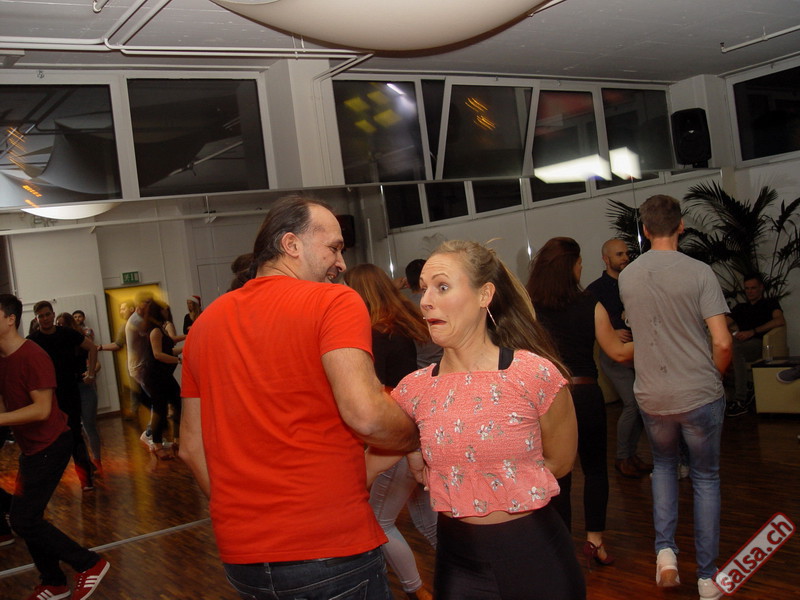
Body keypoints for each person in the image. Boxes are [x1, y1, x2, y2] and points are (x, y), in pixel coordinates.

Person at [179, 194, 419, 600]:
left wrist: (244, 518)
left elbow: (190, 446)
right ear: (291, 244)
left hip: (243, 556)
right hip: (329, 547)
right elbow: (365, 414)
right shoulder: (334, 300)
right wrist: (415, 434)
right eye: (334, 248)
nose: (341, 263)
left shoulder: (205, 324)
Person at [371, 239, 584, 600]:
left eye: (442, 287)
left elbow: (560, 461)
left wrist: (498, 478)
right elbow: (367, 466)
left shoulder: (533, 374)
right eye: (424, 289)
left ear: (485, 294)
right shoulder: (413, 390)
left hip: (537, 557)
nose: (425, 301)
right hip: (459, 564)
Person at [618, 195, 732, 600]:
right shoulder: (700, 272)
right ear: (681, 226)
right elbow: (722, 342)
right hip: (698, 391)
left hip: (652, 395)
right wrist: (713, 379)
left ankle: (665, 554)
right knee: (705, 478)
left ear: (645, 230)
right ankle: (707, 578)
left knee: (664, 468)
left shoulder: (627, 277)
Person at [527, 237, 634, 570]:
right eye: (579, 263)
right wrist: (656, 337)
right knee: (595, 469)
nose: (581, 268)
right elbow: (618, 352)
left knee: (558, 473)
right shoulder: (591, 305)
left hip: (548, 398)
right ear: (570, 268)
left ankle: (561, 548)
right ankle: (595, 542)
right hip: (585, 394)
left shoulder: (529, 310)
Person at [0, 294, 110, 600]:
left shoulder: (32, 355)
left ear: (10, 319)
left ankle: (89, 563)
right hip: (31, 448)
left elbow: (42, 409)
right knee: (27, 517)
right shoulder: (3, 358)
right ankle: (54, 582)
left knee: (23, 519)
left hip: (51, 444)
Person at [344, 263, 437, 600]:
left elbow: (378, 393)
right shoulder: (398, 326)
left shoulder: (373, 334)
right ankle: (472, 575)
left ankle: (416, 589)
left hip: (396, 437)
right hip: (415, 429)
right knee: (427, 521)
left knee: (378, 521)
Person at [586, 238, 651, 478]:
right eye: (619, 254)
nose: (625, 258)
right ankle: (623, 457)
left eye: (626, 253)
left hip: (639, 352)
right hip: (614, 356)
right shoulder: (595, 290)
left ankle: (630, 455)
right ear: (606, 259)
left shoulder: (634, 282)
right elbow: (588, 323)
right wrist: (611, 331)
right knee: (633, 403)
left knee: (643, 404)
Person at [28, 301, 98, 492]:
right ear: (36, 318)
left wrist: (91, 373)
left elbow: (92, 348)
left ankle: (85, 479)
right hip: (47, 395)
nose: (45, 319)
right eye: (41, 316)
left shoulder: (67, 333)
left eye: (47, 314)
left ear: (53, 314)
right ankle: (48, 482)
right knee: (48, 438)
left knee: (75, 434)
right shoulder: (32, 340)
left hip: (69, 390)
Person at [726, 273, 786, 416]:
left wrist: (752, 332)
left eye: (753, 288)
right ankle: (746, 386)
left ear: (761, 288)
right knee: (721, 350)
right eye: (747, 288)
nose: (750, 291)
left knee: (735, 349)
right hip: (740, 343)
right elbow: (720, 324)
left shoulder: (770, 303)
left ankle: (741, 400)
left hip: (758, 343)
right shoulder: (741, 307)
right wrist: (733, 333)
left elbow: (779, 321)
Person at [57, 313, 103, 475]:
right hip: (69, 389)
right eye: (58, 325)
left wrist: (91, 373)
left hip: (84, 387)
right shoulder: (58, 342)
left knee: (90, 426)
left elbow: (94, 356)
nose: (60, 328)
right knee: (75, 429)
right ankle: (87, 462)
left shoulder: (79, 339)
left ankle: (97, 460)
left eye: (63, 325)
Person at [141, 301, 182, 460]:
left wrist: (186, 348)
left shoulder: (161, 329)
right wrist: (178, 360)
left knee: (177, 402)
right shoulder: (155, 331)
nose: (167, 311)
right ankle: (157, 444)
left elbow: (169, 350)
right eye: (164, 309)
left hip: (163, 375)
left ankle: (177, 440)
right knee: (160, 409)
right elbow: (158, 354)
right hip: (155, 376)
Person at [405, 258, 443, 368]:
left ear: (407, 283)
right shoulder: (444, 302)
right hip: (444, 362)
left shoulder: (403, 308)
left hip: (417, 366)